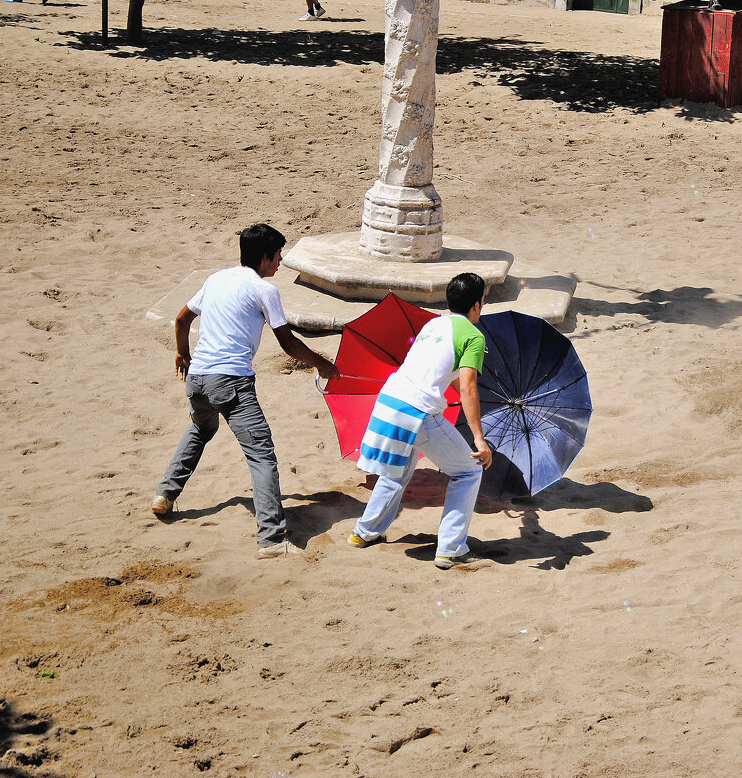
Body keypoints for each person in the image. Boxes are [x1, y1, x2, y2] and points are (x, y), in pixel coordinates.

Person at [151, 224, 338, 559]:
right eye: (278, 254)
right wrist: (321, 363)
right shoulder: (263, 290)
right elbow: (288, 343)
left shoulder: (216, 279)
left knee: (201, 428)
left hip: (198, 380)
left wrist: (183, 354)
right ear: (265, 257)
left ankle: (165, 494)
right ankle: (270, 539)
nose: (280, 261)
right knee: (262, 455)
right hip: (231, 381)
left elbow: (181, 320)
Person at [347, 273, 493, 570]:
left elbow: (444, 376)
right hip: (418, 411)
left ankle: (364, 532)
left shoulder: (433, 324)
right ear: (477, 305)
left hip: (390, 400)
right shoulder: (474, 336)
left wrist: (465, 396)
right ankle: (450, 548)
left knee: (397, 470)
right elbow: (467, 387)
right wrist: (479, 437)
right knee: (468, 471)